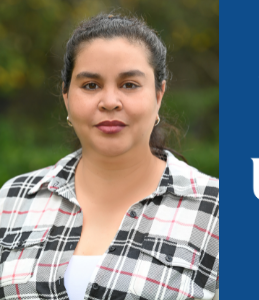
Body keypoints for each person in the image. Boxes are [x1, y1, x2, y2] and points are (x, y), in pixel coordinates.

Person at [0, 13, 219, 300]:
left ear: (158, 96)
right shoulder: (12, 201)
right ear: (66, 97)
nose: (110, 102)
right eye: (91, 85)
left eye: (129, 84)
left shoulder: (215, 211)